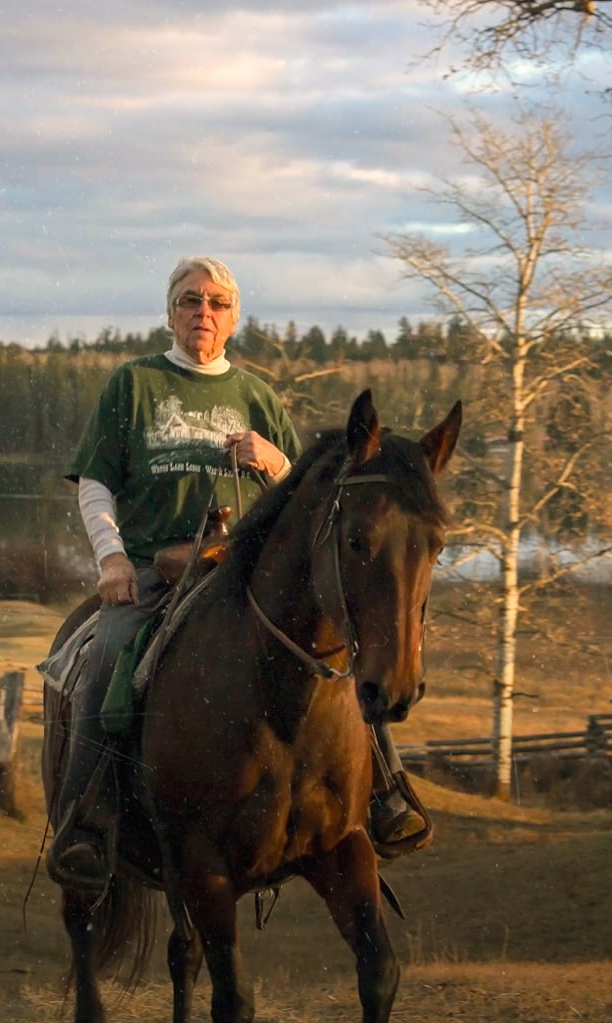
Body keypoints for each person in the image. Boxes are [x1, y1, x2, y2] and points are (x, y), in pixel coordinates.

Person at [45, 256, 427, 893]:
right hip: (153, 571)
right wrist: (112, 561)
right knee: (108, 651)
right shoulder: (133, 384)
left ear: (234, 319)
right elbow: (96, 482)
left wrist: (276, 459)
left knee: (347, 648)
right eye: (191, 301)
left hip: (240, 575)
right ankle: (86, 821)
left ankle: (384, 792)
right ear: (171, 313)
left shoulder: (257, 395)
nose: (204, 313)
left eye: (217, 304)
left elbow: (310, 501)